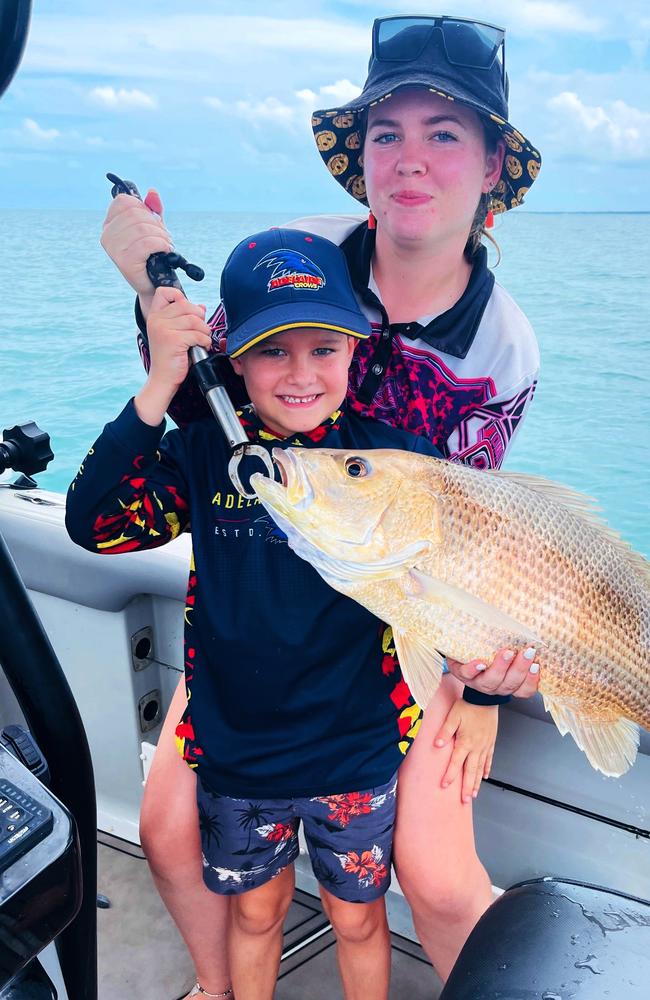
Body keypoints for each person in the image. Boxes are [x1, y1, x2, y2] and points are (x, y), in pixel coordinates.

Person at [99, 13, 543, 993]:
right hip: (258, 602)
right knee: (168, 824)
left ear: (488, 174)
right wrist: (143, 283)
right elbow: (203, 395)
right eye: (387, 132)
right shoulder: (301, 257)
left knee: (431, 870)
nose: (410, 160)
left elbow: (467, 526)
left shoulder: (500, 346)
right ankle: (223, 984)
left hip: (391, 616)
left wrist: (475, 691)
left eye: (444, 135)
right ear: (361, 160)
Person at [66, 227, 503, 1000]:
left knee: (360, 921)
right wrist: (162, 384)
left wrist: (484, 693)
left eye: (323, 349)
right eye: (273, 351)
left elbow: (480, 582)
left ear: (354, 351)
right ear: (235, 359)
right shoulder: (207, 454)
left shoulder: (393, 458)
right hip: (240, 761)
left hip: (357, 757)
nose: (301, 374)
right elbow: (96, 522)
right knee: (257, 914)